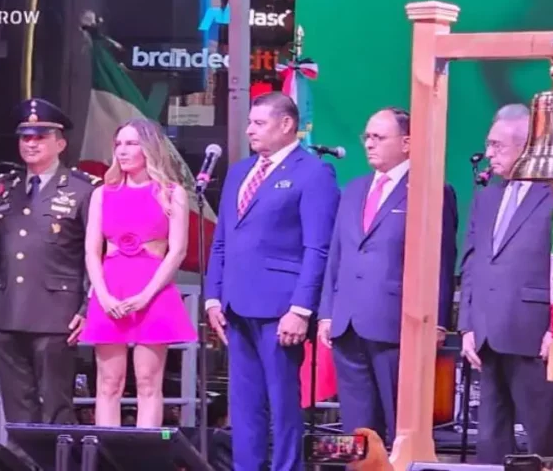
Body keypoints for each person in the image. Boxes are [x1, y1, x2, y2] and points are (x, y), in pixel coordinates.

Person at [205, 92, 340, 471]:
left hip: (281, 308)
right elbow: (222, 240)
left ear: (286, 125)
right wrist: (213, 297)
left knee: (282, 403)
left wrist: (300, 309)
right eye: (249, 122)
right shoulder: (239, 171)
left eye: (259, 123)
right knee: (244, 405)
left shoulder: (312, 172)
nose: (250, 130)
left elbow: (318, 248)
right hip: (235, 305)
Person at [457, 104, 553, 463]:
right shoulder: (487, 196)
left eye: (498, 146)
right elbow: (472, 262)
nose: (489, 154)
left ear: (526, 146)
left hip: (535, 336)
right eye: (489, 144)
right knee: (489, 438)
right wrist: (467, 324)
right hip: (486, 333)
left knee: (538, 440)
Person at [318, 107, 458, 446]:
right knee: (358, 432)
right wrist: (326, 312)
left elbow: (441, 259)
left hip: (397, 326)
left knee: (399, 429)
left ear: (407, 142)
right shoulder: (353, 189)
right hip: (347, 324)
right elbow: (337, 254)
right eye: (366, 136)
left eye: (378, 137)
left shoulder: (430, 190)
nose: (368, 144)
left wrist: (437, 322)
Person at [0, 98, 99, 427]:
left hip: (57, 313)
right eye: (26, 137)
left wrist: (86, 307)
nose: (31, 144)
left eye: (40, 137)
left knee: (55, 404)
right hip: (8, 311)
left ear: (60, 143)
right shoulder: (2, 189)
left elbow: (94, 256)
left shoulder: (82, 190)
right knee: (17, 407)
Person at [79, 118, 198, 427]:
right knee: (108, 384)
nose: (122, 150)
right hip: (111, 289)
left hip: (153, 291)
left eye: (131, 143)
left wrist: (146, 295)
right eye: (119, 144)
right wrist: (102, 294)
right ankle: (107, 458)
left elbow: (178, 251)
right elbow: (92, 250)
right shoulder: (102, 193)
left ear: (149, 147)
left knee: (148, 383)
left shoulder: (172, 193)